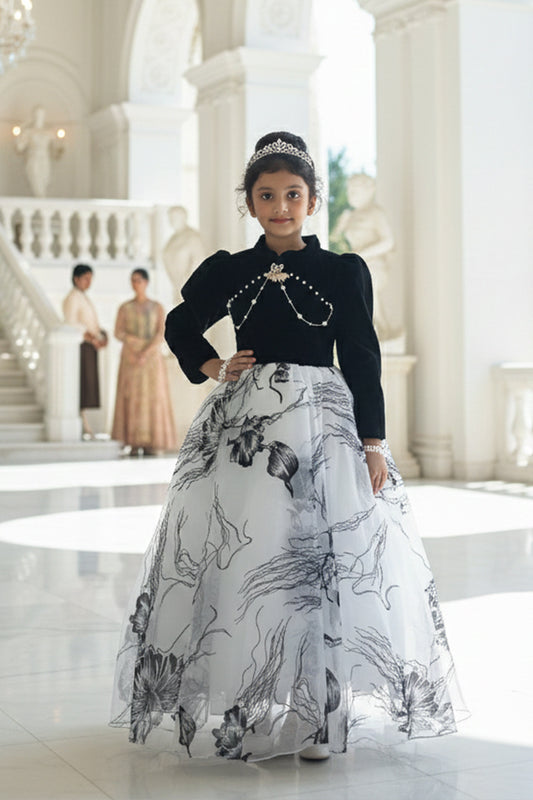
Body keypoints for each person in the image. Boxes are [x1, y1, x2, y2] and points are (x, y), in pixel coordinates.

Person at [110, 132, 467, 762]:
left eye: (293, 194)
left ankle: (319, 715)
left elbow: (362, 355)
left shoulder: (341, 271)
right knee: (252, 561)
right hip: (248, 432)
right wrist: (213, 364)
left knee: (318, 564)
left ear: (312, 200)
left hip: (321, 426)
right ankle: (254, 700)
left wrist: (374, 442)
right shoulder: (231, 268)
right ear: (249, 202)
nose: (281, 206)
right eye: (267, 195)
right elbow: (179, 321)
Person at [111, 269, 177, 455]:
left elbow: (162, 332)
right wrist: (135, 345)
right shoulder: (125, 308)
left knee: (153, 398)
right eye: (132, 280)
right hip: (130, 359)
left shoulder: (157, 307)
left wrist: (146, 351)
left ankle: (153, 442)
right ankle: (133, 442)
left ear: (146, 282)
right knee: (132, 397)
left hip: (151, 360)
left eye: (138, 280)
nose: (135, 284)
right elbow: (118, 332)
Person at [62, 264, 107, 438]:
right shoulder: (73, 297)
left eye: (90, 279)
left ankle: (85, 425)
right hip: (81, 347)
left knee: (87, 386)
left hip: (89, 346)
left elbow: (90, 322)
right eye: (86, 278)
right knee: (82, 385)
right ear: (76, 279)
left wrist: (101, 335)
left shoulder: (82, 297)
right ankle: (82, 425)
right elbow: (72, 324)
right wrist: (92, 338)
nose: (89, 282)